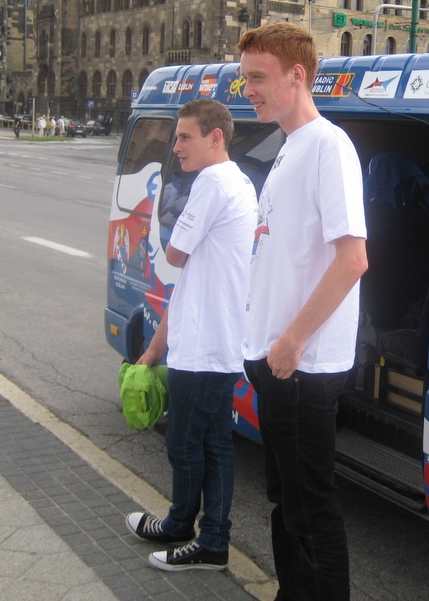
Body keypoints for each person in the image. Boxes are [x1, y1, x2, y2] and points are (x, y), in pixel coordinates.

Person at [238, 23, 368, 601]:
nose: (248, 90)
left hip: (303, 367)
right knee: (285, 503)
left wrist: (290, 343)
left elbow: (353, 259)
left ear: (298, 75)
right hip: (276, 361)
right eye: (245, 79)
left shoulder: (327, 146)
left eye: (257, 78)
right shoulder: (290, 147)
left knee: (311, 509)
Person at [125, 98, 257, 572]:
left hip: (204, 348)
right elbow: (193, 275)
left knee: (184, 442)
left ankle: (202, 537)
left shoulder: (212, 182)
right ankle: (194, 530)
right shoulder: (238, 181)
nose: (175, 146)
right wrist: (158, 342)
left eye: (184, 137)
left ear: (215, 137)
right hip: (213, 340)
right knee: (213, 443)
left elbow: (176, 254)